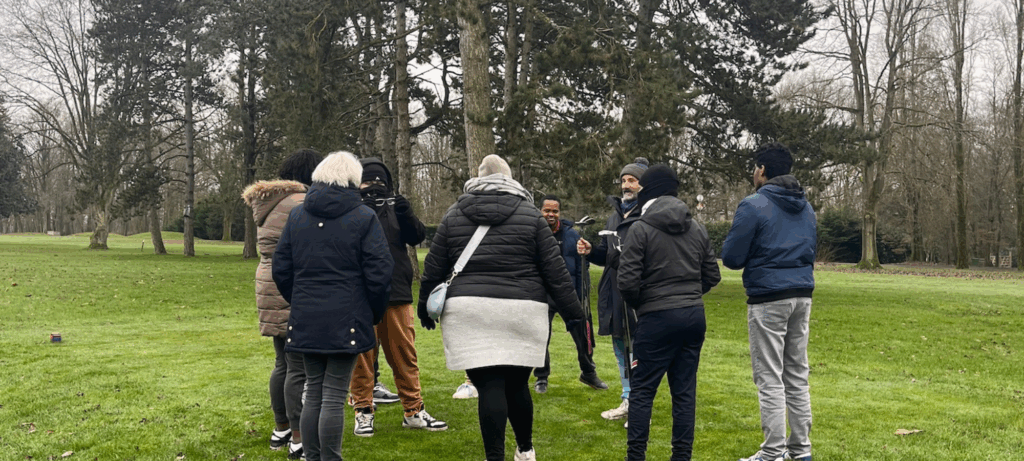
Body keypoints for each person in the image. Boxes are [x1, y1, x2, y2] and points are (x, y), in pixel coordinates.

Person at [417, 155, 585, 461]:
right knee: (518, 383)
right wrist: (574, 314)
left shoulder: (455, 214)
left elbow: (433, 267)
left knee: (489, 384)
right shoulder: (531, 215)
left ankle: (494, 456)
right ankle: (525, 449)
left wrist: (423, 307)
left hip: (469, 310)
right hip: (523, 309)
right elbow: (556, 273)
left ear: (477, 178)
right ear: (510, 180)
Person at [272, 151, 394, 461]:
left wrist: (300, 300)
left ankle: (313, 457)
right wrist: (372, 312)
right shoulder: (364, 217)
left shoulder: (297, 216)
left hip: (307, 316)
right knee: (333, 395)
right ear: (353, 180)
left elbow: (281, 269)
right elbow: (379, 273)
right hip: (348, 317)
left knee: (315, 390)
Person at [617, 164, 721, 461]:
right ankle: (681, 457)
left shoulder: (641, 228)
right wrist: (686, 296)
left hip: (656, 317)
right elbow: (712, 276)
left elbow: (626, 282)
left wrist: (645, 303)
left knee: (642, 391)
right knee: (684, 393)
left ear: (647, 191)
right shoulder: (697, 228)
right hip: (692, 316)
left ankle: (635, 457)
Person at [721, 143, 816, 461]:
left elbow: (732, 258)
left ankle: (773, 451)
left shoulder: (753, 205)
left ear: (762, 170)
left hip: (768, 297)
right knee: (796, 373)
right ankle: (801, 450)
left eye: (753, 168)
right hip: (802, 295)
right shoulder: (807, 207)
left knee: (769, 375)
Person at [349, 157, 447, 437]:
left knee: (404, 355)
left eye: (380, 182)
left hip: (397, 290)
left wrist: (406, 213)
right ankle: (363, 410)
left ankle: (414, 410)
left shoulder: (396, 206)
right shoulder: (350, 207)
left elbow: (416, 237)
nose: (374, 188)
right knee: (362, 357)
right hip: (361, 293)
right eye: (368, 182)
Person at [242, 148, 322, 460]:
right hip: (293, 284)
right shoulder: (300, 204)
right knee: (299, 367)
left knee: (282, 363)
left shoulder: (268, 201)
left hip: (267, 281)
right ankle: (299, 437)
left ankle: (281, 429)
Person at [576, 157, 649, 423]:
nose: (626, 185)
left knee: (637, 351)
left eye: (632, 180)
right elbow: (608, 256)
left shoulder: (649, 215)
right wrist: (591, 251)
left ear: (643, 184)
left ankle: (641, 407)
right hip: (613, 291)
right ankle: (628, 399)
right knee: (620, 347)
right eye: (623, 180)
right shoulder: (614, 216)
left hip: (639, 293)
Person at [534, 195, 607, 393]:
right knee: (541, 337)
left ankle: (588, 373)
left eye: (554, 211)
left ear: (559, 213)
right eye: (547, 210)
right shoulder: (534, 233)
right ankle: (541, 377)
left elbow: (582, 265)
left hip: (569, 293)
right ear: (540, 211)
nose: (550, 214)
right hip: (543, 294)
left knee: (583, 336)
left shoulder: (572, 235)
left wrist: (582, 290)